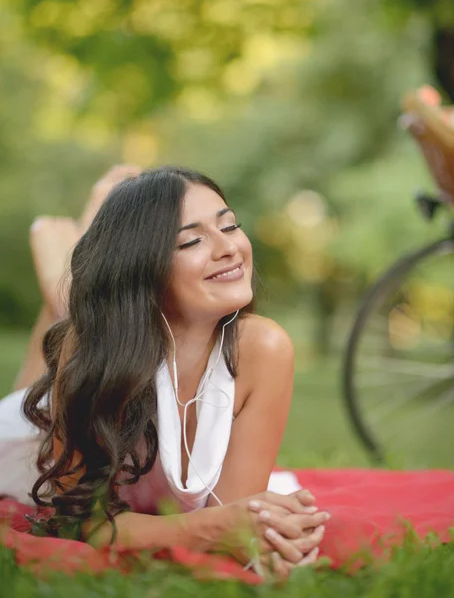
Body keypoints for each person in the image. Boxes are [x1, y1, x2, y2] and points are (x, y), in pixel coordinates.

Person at [0, 165, 331, 579]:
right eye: (191, 240)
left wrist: (260, 533)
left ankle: (74, 259)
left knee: (69, 317)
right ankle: (59, 259)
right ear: (142, 267)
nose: (228, 248)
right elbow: (84, 523)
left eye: (229, 227)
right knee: (61, 327)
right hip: (29, 438)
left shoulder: (265, 348)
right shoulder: (85, 349)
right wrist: (217, 528)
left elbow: (232, 522)